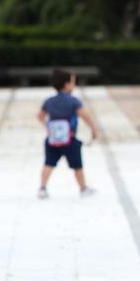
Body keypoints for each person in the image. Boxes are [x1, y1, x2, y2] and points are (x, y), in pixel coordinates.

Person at [37, 69, 100, 199]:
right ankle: (83, 188)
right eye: (72, 82)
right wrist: (93, 129)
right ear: (67, 84)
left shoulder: (49, 101)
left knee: (48, 164)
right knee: (77, 166)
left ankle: (43, 187)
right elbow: (84, 115)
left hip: (53, 139)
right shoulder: (74, 101)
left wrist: (48, 127)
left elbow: (40, 116)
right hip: (70, 139)